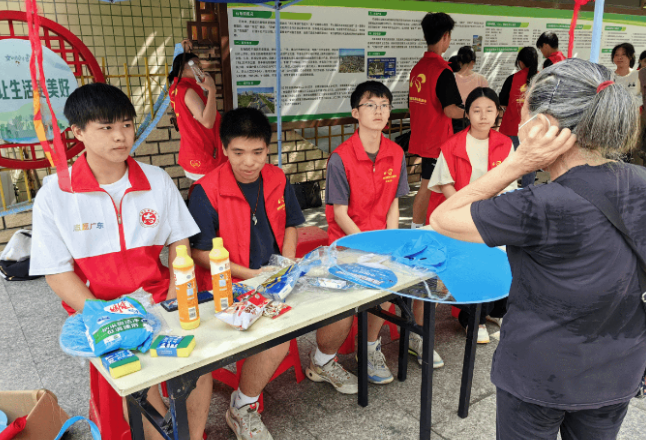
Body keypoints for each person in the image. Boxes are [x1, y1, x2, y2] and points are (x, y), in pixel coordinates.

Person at [431, 58, 646, 440]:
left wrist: (520, 161)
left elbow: (444, 217)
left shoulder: (540, 204)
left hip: (539, 376)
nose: (517, 115)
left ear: (543, 125)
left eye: (524, 106)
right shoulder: (640, 181)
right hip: (619, 370)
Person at [29, 83, 213, 440]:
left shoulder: (156, 180)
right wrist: (104, 314)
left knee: (198, 365)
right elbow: (56, 271)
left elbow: (179, 241)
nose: (121, 136)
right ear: (77, 132)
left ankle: (191, 437)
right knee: (142, 381)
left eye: (127, 125)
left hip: (158, 295)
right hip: (100, 307)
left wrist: (175, 293)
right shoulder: (54, 194)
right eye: (107, 127)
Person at [188, 107, 358, 440]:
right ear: (224, 149)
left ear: (267, 148)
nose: (249, 161)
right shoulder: (205, 191)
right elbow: (199, 252)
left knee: (341, 300)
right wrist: (253, 274)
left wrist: (288, 262)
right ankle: (242, 406)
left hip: (278, 275)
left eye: (257, 152)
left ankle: (322, 362)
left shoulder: (278, 178)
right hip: (232, 286)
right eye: (238, 153)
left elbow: (293, 224)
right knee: (277, 339)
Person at [325, 81, 410, 383]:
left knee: (392, 277)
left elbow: (393, 207)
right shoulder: (340, 158)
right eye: (370, 104)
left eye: (384, 104)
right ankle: (326, 357)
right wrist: (369, 247)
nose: (378, 110)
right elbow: (339, 214)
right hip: (348, 245)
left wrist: (392, 244)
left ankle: (370, 346)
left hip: (380, 241)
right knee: (370, 279)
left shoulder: (396, 153)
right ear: (355, 112)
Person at [428, 87, 515, 343]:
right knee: (474, 265)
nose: (483, 115)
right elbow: (445, 184)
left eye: (489, 110)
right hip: (459, 215)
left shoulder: (505, 143)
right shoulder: (452, 144)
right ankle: (471, 319)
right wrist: (467, 211)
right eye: (476, 110)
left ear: (498, 113)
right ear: (467, 113)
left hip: (494, 214)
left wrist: (490, 212)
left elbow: (508, 183)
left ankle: (494, 311)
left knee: (505, 262)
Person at [409, 12, 463, 230]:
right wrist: (471, 112)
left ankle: (417, 228)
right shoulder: (443, 71)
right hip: (439, 141)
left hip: (423, 136)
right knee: (434, 187)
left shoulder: (418, 68)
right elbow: (450, 110)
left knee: (427, 185)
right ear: (446, 37)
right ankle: (433, 229)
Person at [169, 52, 227, 181]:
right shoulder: (188, 91)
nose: (199, 68)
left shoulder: (175, 87)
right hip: (204, 153)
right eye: (195, 65)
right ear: (182, 69)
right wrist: (212, 90)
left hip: (193, 150)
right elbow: (207, 122)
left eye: (200, 65)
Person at [499, 47, 539, 137]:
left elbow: (502, 103)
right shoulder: (543, 79)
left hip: (512, 130)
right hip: (535, 131)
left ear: (520, 62)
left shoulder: (511, 79)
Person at [453, 46, 488, 133]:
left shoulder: (450, 78)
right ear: (473, 62)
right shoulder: (481, 79)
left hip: (454, 120)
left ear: (459, 61)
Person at [612, 43, 642, 110]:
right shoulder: (608, 76)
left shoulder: (639, 75)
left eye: (624, 54)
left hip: (633, 115)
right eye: (617, 55)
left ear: (631, 57)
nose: (620, 57)